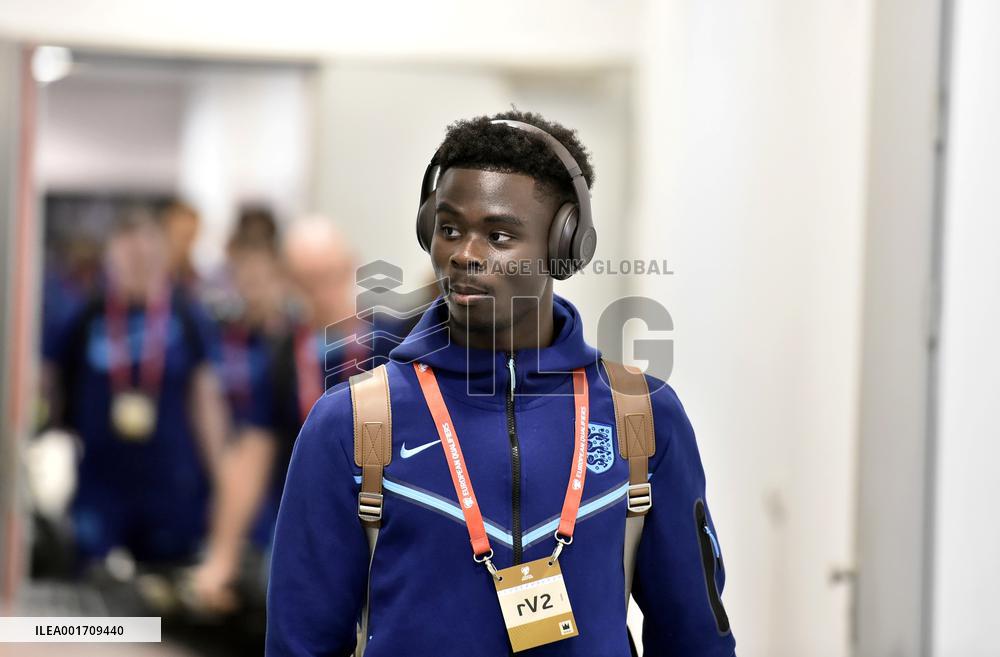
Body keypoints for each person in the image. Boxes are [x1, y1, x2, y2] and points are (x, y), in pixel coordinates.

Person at [265, 111, 736, 656]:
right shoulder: (354, 421)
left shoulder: (641, 415)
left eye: (499, 234)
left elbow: (696, 639)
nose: (465, 253)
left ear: (563, 247)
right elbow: (300, 644)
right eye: (448, 228)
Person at [45, 206, 229, 568]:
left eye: (147, 256)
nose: (138, 265)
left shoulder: (187, 317)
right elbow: (53, 383)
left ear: (162, 258)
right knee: (96, 583)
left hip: (170, 482)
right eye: (129, 256)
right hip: (100, 481)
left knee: (162, 594)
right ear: (111, 258)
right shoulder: (86, 316)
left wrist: (220, 475)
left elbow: (206, 399)